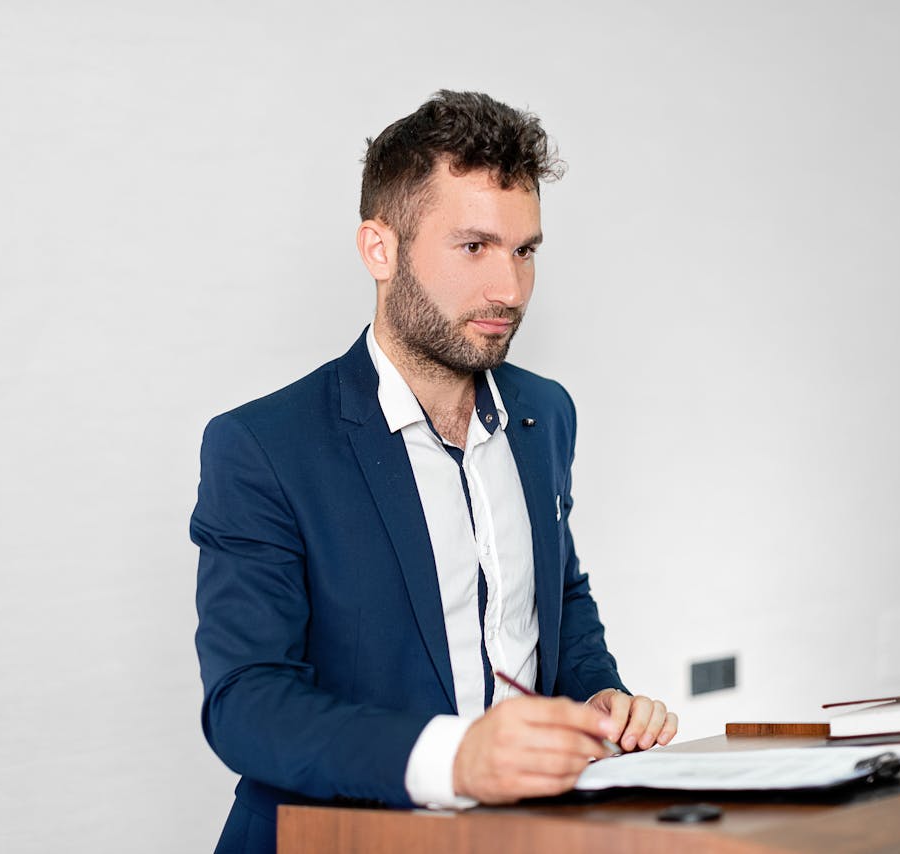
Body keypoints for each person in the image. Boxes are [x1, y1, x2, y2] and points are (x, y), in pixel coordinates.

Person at [191, 90, 678, 853]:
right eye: (474, 247)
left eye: (525, 251)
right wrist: (457, 760)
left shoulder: (545, 415)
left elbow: (557, 602)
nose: (509, 291)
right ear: (379, 249)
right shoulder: (262, 446)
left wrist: (599, 699)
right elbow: (247, 705)